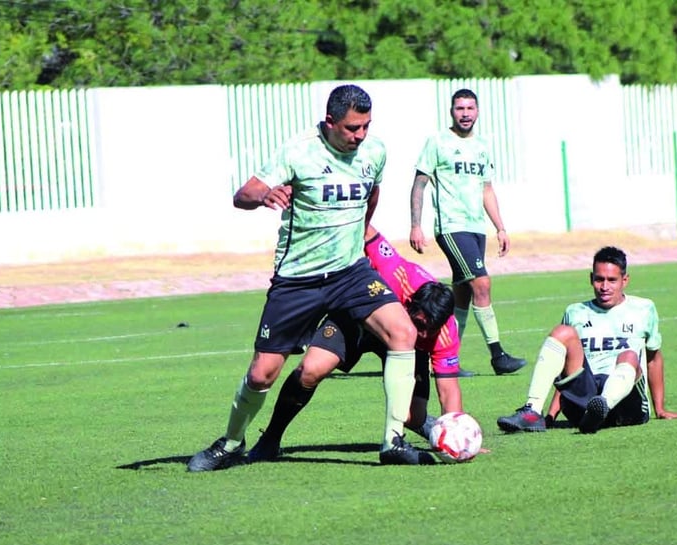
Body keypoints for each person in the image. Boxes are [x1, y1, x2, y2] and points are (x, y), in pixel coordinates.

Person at [188, 84, 421, 472]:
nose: (359, 136)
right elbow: (243, 194)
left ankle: (392, 441)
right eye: (351, 128)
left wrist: (360, 233)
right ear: (330, 122)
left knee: (403, 332)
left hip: (350, 273)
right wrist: (264, 197)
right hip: (298, 280)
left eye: (365, 127)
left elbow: (372, 194)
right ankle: (230, 443)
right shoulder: (298, 152)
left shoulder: (375, 151)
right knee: (263, 372)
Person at [246, 225, 467, 465]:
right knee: (309, 371)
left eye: (429, 330)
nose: (422, 333)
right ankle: (270, 438)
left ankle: (433, 434)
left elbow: (448, 390)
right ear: (410, 303)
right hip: (358, 319)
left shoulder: (446, 331)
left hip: (402, 349)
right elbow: (366, 229)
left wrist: (458, 437)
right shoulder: (395, 270)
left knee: (412, 417)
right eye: (418, 324)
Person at [496, 246, 677, 434]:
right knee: (562, 332)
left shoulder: (644, 309)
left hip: (626, 405)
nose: (604, 287)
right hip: (584, 400)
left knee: (629, 355)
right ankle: (532, 411)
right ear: (591, 278)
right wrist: (550, 415)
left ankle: (602, 406)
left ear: (625, 280)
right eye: (599, 279)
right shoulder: (575, 312)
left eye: (612, 280)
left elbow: (653, 359)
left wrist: (660, 409)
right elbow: (564, 369)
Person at [408, 88, 526, 376]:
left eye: (470, 108)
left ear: (477, 111)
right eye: (459, 108)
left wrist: (500, 227)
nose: (465, 113)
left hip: (475, 227)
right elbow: (419, 184)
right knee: (482, 284)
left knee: (462, 295)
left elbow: (487, 189)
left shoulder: (482, 146)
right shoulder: (437, 142)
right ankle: (498, 356)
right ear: (452, 111)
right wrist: (415, 224)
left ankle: (447, 361)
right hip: (451, 226)